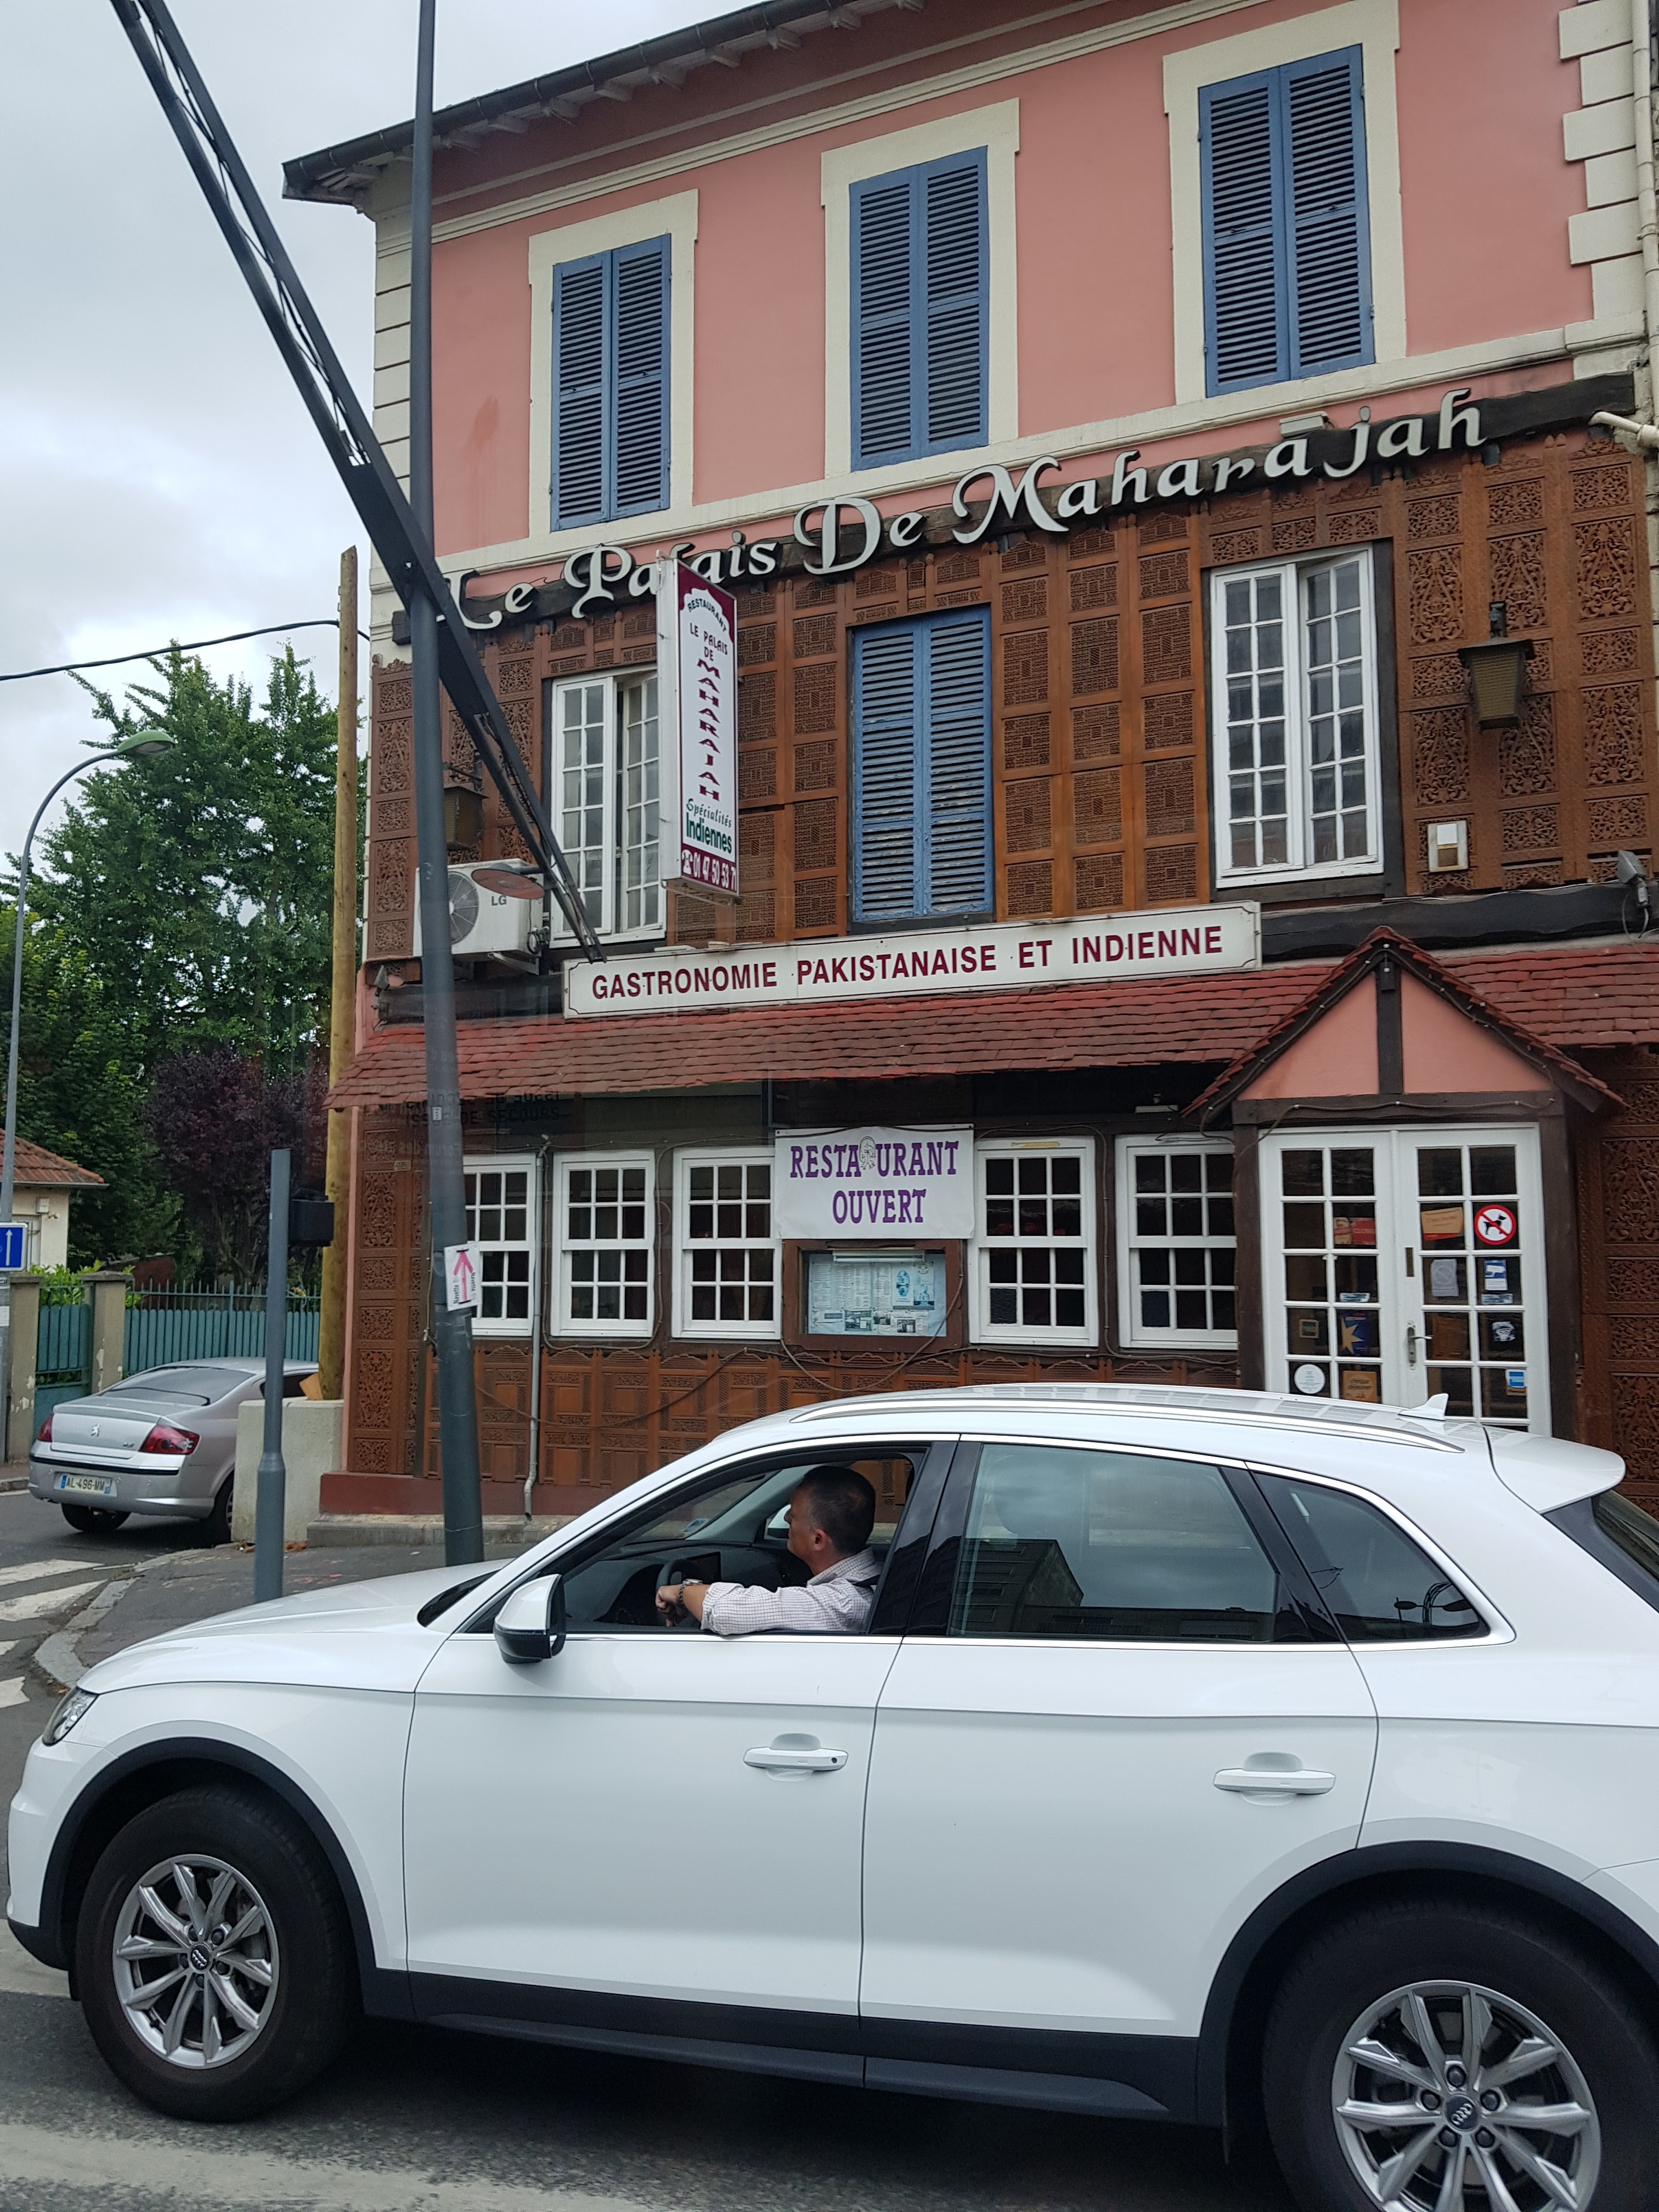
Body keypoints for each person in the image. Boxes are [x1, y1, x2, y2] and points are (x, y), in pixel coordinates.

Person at [655, 1464, 880, 1635]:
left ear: (818, 1540)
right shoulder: (870, 1578)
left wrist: (682, 1592)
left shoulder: (844, 1603)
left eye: (794, 1515)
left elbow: (726, 1611)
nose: (786, 1517)